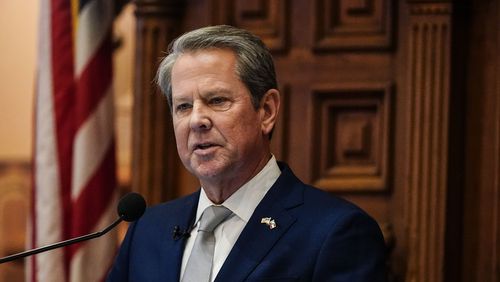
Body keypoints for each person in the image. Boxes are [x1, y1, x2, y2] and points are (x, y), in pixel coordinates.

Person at [107, 25, 387, 282]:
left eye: (217, 101)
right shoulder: (147, 230)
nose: (196, 120)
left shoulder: (335, 233)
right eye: (183, 106)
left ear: (266, 111)